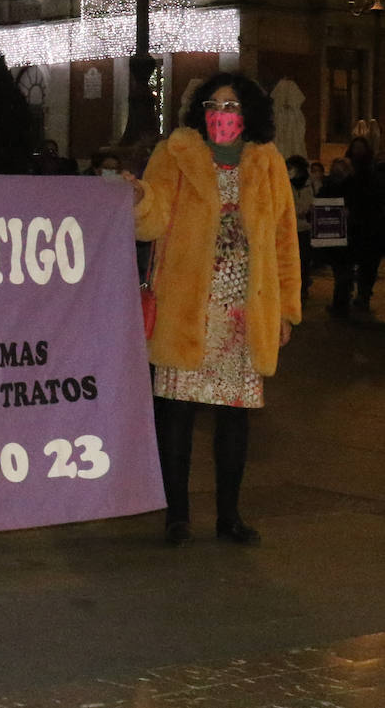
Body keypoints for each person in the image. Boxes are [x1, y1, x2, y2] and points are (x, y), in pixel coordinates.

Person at [127, 72, 299, 547]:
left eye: (231, 106)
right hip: (188, 305)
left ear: (248, 113)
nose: (222, 115)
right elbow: (155, 218)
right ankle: (176, 515)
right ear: (200, 111)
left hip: (244, 308)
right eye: (213, 105)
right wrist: (141, 198)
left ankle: (229, 515)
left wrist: (286, 309)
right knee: (177, 414)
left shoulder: (267, 163)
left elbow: (285, 241)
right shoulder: (176, 154)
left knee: (235, 416)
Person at [323, 135, 383, 318]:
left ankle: (362, 295)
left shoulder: (371, 175)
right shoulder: (345, 179)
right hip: (348, 228)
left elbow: (372, 200)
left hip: (367, 227)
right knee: (344, 267)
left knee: (367, 266)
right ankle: (343, 299)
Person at [285, 154, 314, 302]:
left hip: (304, 229)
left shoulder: (309, 184)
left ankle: (302, 289)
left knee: (303, 260)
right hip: (289, 229)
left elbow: (311, 203)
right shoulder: (284, 184)